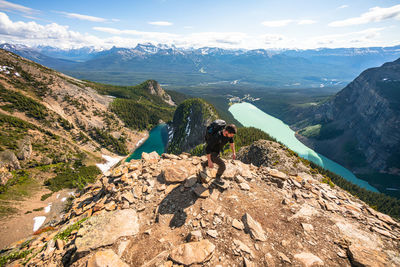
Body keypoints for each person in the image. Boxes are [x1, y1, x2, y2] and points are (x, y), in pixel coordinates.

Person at [204, 122, 237, 187]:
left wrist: (234, 153)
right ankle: (217, 178)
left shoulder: (229, 135)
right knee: (222, 166)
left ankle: (204, 164)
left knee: (213, 160)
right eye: (232, 135)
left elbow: (232, 143)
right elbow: (207, 149)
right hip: (213, 151)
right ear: (226, 132)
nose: (232, 136)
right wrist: (210, 161)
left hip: (218, 150)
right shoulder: (217, 137)